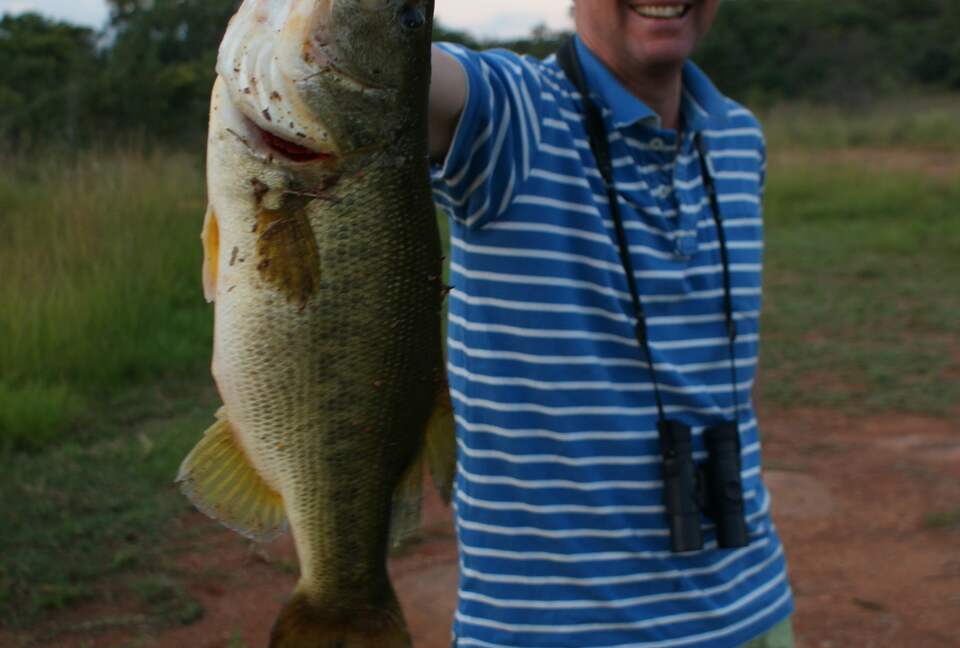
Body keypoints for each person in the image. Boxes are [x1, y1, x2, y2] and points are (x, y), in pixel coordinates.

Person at [427, 1, 795, 646]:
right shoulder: (514, 117)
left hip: (753, 609)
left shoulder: (739, 136)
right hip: (561, 632)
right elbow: (378, 70)